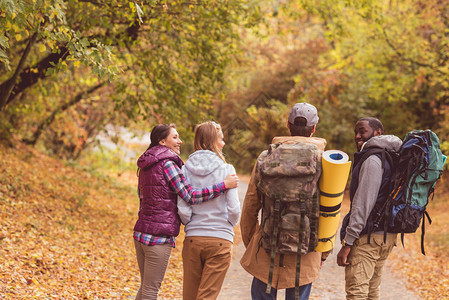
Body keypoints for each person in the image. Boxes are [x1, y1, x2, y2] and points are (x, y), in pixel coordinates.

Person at [133, 123, 239, 300]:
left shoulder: (146, 163)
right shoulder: (168, 164)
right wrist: (223, 186)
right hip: (158, 236)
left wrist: (190, 223)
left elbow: (145, 199)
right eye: (174, 137)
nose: (179, 141)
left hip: (141, 232)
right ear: (162, 141)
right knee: (151, 290)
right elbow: (189, 196)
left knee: (146, 288)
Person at [240, 103, 329, 300]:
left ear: (288, 126)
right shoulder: (325, 161)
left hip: (267, 248)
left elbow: (250, 207)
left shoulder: (265, 157)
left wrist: (253, 243)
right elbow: (330, 209)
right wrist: (323, 252)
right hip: (306, 252)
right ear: (314, 129)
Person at [337, 117, 402, 299]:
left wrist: (348, 243)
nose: (357, 136)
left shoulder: (373, 159)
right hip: (385, 236)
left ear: (378, 132)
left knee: (357, 293)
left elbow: (363, 204)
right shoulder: (390, 156)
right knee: (372, 292)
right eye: (356, 132)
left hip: (368, 238)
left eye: (362, 131)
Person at [177, 121, 241, 300]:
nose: (224, 143)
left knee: (189, 296)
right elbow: (234, 209)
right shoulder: (227, 170)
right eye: (221, 139)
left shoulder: (184, 169)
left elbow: (183, 209)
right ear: (213, 141)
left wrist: (192, 223)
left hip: (193, 239)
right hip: (220, 239)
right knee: (207, 296)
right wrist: (228, 224)